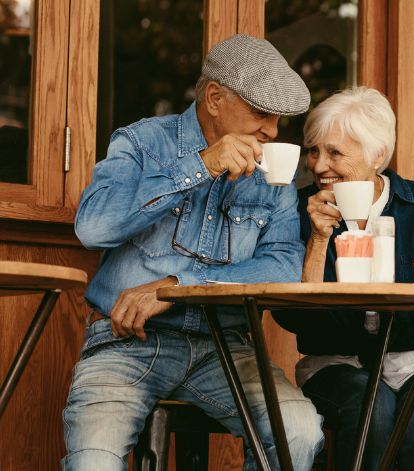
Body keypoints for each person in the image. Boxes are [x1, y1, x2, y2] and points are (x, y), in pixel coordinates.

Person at [63, 34, 324, 471]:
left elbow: (282, 263)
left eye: (278, 118)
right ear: (215, 98)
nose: (273, 130)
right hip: (126, 345)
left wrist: (177, 286)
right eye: (262, 113)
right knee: (92, 462)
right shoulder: (143, 142)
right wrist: (201, 165)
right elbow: (93, 227)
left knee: (300, 433)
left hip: (226, 348)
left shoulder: (273, 172)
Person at [274, 86, 414, 470]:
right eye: (313, 150)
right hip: (339, 363)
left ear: (376, 155)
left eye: (335, 152)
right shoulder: (297, 209)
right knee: (373, 414)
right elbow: (292, 316)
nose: (319, 165)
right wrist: (319, 240)